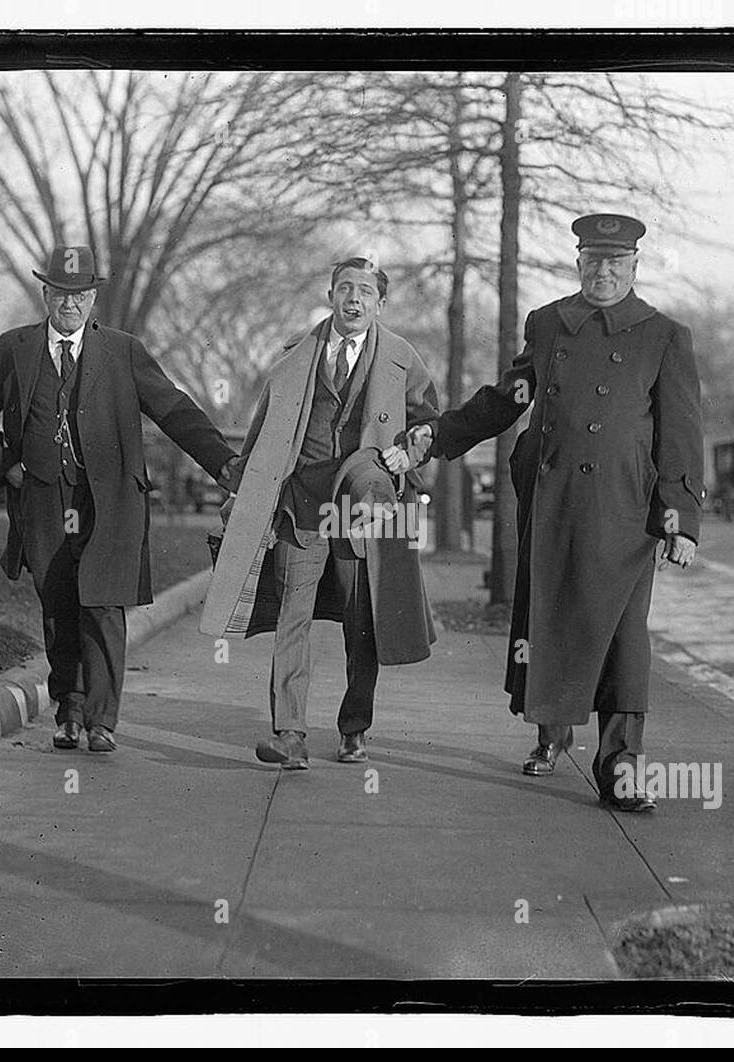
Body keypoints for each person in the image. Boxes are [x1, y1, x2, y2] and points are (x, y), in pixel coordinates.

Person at [384, 214, 705, 811]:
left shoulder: (663, 335)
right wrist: (438, 433)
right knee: (550, 622)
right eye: (592, 261)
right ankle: (550, 737)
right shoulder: (551, 323)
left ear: (634, 267)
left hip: (626, 511)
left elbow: (681, 434)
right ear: (578, 262)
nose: (602, 272)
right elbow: (510, 397)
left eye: (615, 263)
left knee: (622, 637)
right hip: (554, 501)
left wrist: (679, 518)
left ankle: (621, 766)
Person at [0, 245, 238, 753]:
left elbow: (173, 408)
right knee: (58, 604)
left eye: (81, 294)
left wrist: (221, 462)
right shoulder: (14, 348)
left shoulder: (122, 351)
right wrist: (8, 469)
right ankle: (68, 711)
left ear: (94, 298)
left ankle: (101, 720)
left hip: (110, 500)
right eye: (62, 293)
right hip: (43, 498)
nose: (71, 304)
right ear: (46, 293)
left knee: (104, 605)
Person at [201, 256, 439, 771]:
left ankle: (355, 729)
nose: (354, 298)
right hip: (301, 509)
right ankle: (289, 734)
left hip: (363, 513)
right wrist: (240, 494)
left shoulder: (403, 359)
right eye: (345, 288)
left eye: (365, 292)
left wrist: (412, 451)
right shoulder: (294, 356)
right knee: (293, 619)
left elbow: (429, 424)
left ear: (380, 303)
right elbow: (264, 432)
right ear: (331, 296)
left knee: (362, 625)